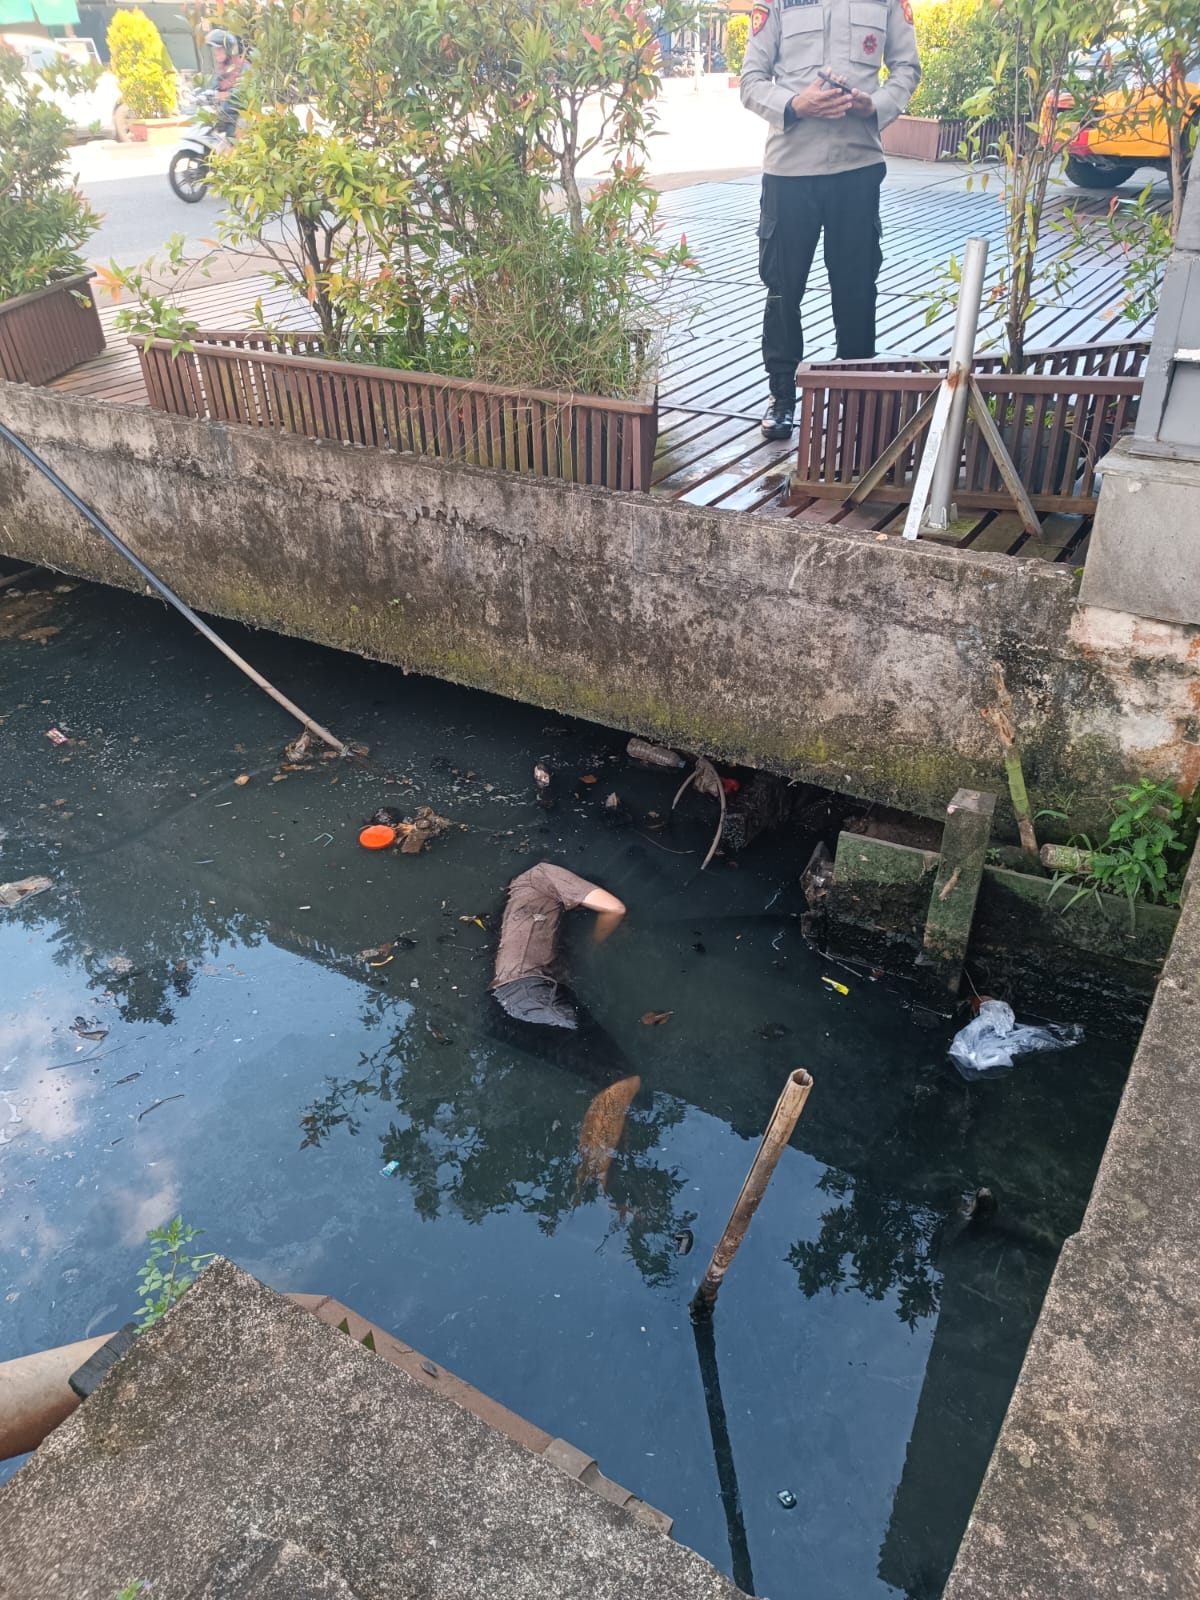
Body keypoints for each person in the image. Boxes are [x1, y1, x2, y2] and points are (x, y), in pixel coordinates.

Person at [740, 0, 921, 440]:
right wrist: (795, 103)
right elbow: (751, 82)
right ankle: (782, 396)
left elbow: (906, 67)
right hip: (790, 171)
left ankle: (854, 396)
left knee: (857, 285)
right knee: (784, 286)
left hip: (855, 167)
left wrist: (873, 105)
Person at [489, 861, 638, 1200]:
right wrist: (598, 946)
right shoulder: (541, 874)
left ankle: (593, 1171)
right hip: (526, 995)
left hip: (520, 1001)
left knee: (616, 1079)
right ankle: (594, 1175)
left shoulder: (523, 903)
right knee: (620, 1077)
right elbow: (614, 907)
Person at [206, 27, 246, 141]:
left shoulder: (243, 66)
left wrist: (228, 94)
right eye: (215, 50)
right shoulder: (222, 68)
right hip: (225, 116)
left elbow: (246, 90)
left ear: (228, 49)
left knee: (237, 148)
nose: (216, 53)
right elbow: (213, 86)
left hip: (240, 117)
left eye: (219, 49)